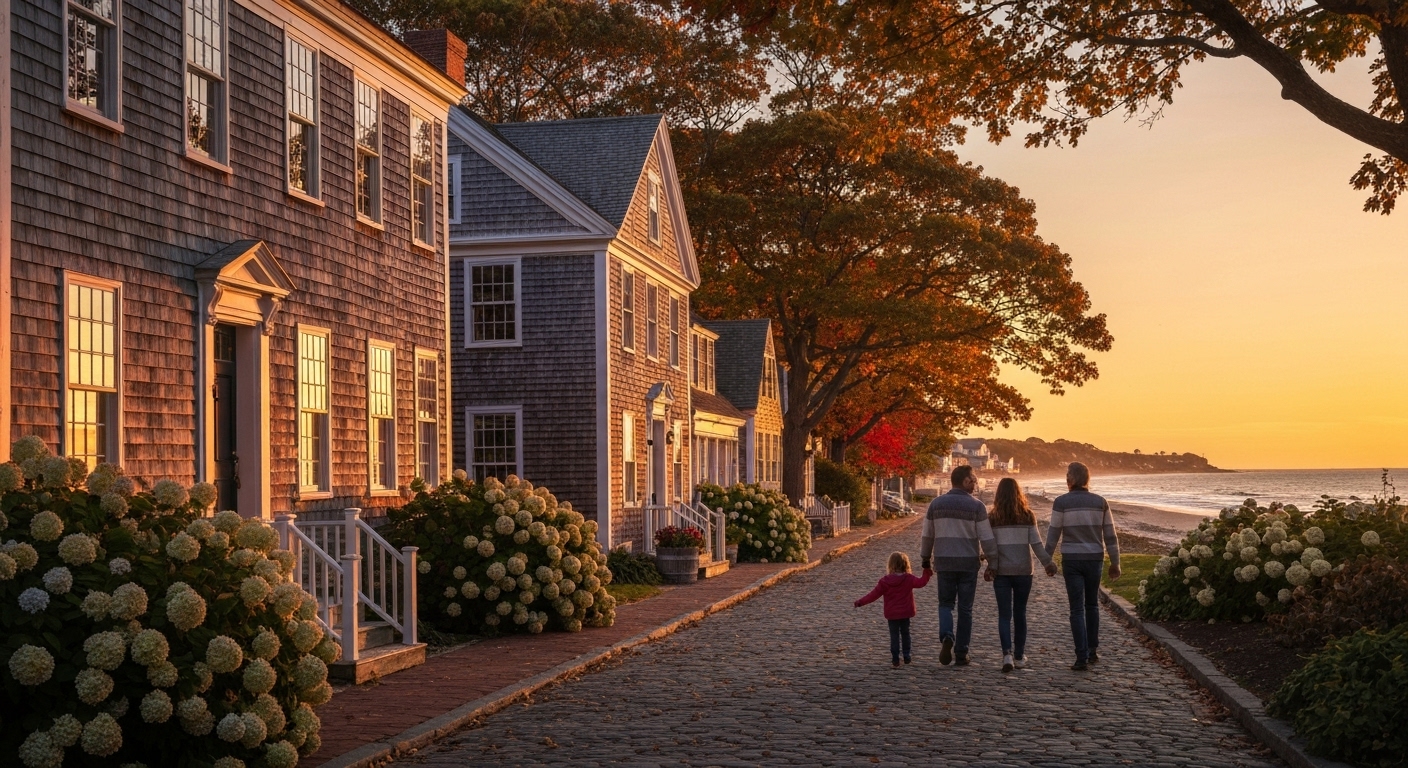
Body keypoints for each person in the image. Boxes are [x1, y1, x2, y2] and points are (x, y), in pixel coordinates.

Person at [1045, 462, 1121, 671]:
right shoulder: (1100, 502)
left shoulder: (1061, 503)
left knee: (1076, 608)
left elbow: (1053, 533)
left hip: (1072, 560)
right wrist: (1115, 562)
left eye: (1066, 476)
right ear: (1087, 479)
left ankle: (1081, 656)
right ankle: (1093, 650)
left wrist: (1048, 559)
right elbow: (1110, 535)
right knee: (1092, 605)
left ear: (1070, 479)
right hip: (1094, 559)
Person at [920, 465, 998, 666]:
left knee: (945, 604)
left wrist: (925, 559)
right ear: (965, 481)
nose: (975, 483)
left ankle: (947, 636)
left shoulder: (936, 505)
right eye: (973, 479)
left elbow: (928, 535)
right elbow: (986, 538)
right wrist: (993, 561)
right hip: (968, 564)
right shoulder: (977, 506)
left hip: (944, 562)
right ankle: (962, 652)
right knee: (965, 609)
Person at [983, 478, 1057, 673]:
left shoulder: (993, 518)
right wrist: (1048, 563)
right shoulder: (1027, 516)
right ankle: (1019, 655)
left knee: (1004, 615)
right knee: (1020, 613)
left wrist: (990, 565)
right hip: (1024, 571)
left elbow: (989, 547)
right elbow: (1036, 544)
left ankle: (1007, 654)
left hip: (1002, 572)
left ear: (998, 495)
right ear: (1019, 494)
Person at [854, 552, 933, 667]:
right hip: (906, 612)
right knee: (906, 633)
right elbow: (921, 582)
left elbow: (873, 595)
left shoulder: (885, 582)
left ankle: (895, 658)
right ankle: (906, 655)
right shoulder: (908, 579)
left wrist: (860, 602)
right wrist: (927, 572)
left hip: (892, 614)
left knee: (894, 635)